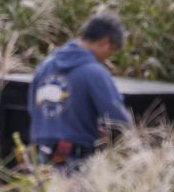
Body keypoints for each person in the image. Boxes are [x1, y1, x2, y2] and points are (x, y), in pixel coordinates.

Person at [28, 13, 133, 172]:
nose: (108, 57)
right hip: (75, 164)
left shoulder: (44, 66)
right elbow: (120, 120)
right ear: (105, 42)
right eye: (111, 50)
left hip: (41, 162)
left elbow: (33, 110)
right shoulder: (95, 72)